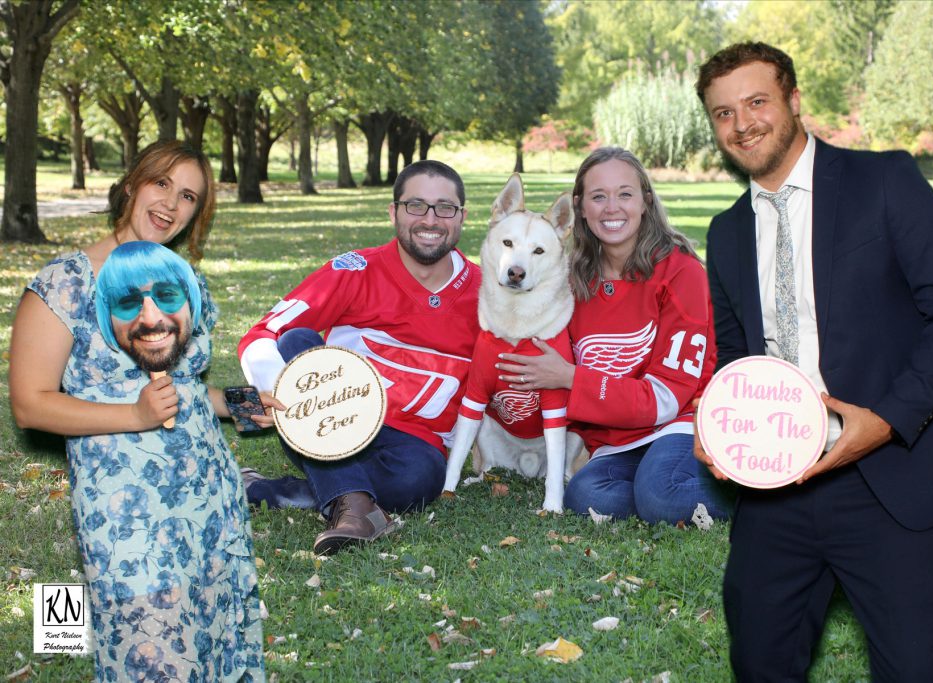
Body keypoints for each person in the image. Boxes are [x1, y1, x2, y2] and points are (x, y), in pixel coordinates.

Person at [694, 42, 933, 681]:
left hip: (888, 474)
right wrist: (719, 430)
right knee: (758, 659)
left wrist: (884, 420)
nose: (742, 123)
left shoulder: (883, 180)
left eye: (756, 102)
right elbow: (736, 357)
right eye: (723, 113)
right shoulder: (724, 232)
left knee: (913, 669)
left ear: (794, 101)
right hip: (774, 481)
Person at [9, 142, 265, 681]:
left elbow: (188, 388)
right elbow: (30, 404)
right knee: (149, 652)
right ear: (132, 185)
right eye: (162, 184)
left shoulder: (185, 281)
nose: (171, 203)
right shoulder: (66, 283)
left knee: (217, 642)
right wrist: (135, 416)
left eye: (189, 195)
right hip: (126, 511)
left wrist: (246, 405)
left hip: (209, 501)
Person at [238, 159, 481, 555]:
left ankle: (297, 492)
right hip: (333, 415)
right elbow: (262, 334)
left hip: (411, 443)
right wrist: (266, 401)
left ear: (462, 217)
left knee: (420, 481)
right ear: (394, 211)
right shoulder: (355, 270)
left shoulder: (486, 292)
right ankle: (356, 509)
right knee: (295, 342)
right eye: (416, 205)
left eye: (445, 208)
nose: (431, 219)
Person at [495, 147, 731, 525]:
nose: (612, 208)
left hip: (679, 422)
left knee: (663, 496)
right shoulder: (569, 279)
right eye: (598, 196)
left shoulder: (681, 273)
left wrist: (570, 378)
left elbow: (666, 399)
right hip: (616, 438)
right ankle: (656, 485)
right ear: (580, 209)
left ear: (645, 202)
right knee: (586, 496)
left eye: (625, 194)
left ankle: (760, 496)